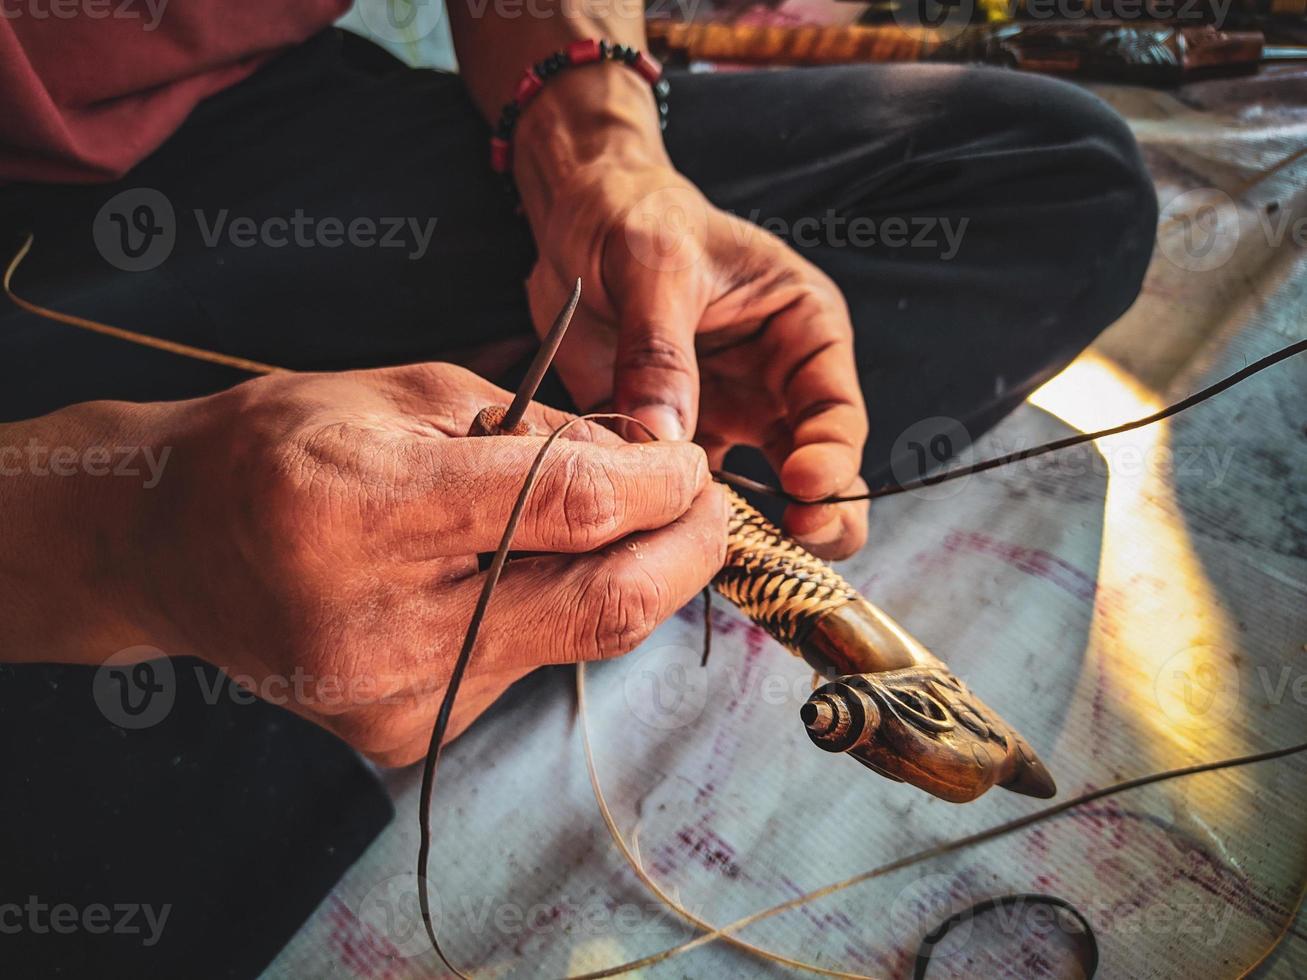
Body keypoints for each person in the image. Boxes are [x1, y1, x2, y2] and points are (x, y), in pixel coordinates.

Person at [0, 1, 1156, 973]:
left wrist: (597, 147)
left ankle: (421, 563)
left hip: (271, 140)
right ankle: (329, 608)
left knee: (1047, 177)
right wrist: (121, 536)